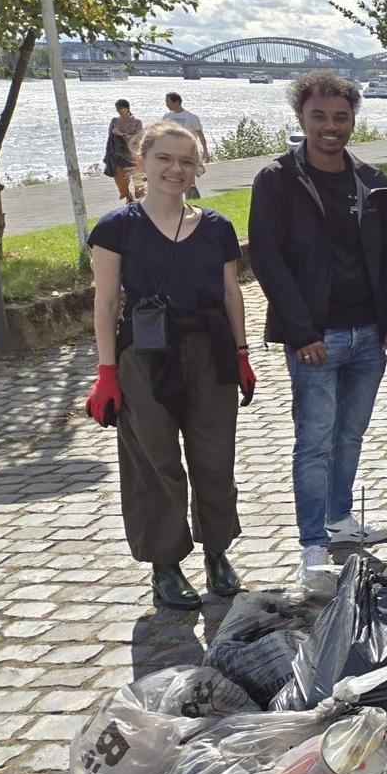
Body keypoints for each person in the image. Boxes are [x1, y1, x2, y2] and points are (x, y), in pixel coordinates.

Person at [248, 71, 387, 595]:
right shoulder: (276, 180)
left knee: (351, 434)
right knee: (314, 441)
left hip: (368, 333)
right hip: (315, 337)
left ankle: (341, 517)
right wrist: (301, 333)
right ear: (301, 117)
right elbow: (268, 262)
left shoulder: (373, 182)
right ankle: (312, 542)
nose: (330, 127)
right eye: (319, 116)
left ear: (352, 121)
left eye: (340, 117)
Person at [84, 121, 256, 610]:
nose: (175, 169)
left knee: (214, 456)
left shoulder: (218, 227)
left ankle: (218, 552)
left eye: (186, 161)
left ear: (197, 167)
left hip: (210, 350)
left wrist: (241, 354)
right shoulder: (117, 227)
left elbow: (230, 293)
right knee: (154, 460)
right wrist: (107, 371)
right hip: (145, 353)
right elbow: (106, 302)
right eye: (165, 158)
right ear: (143, 160)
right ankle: (165, 563)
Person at [162, 92, 208, 199]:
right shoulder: (166, 117)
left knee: (188, 177)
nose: (166, 104)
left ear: (177, 102)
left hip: (188, 151)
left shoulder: (191, 117)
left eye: (168, 102)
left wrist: (205, 150)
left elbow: (200, 134)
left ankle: (191, 199)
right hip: (171, 151)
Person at [104, 100, 142, 201]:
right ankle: (128, 197)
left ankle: (140, 199)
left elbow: (138, 138)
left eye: (121, 108)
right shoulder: (114, 121)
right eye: (117, 109)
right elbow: (110, 137)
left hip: (132, 152)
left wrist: (122, 134)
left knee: (137, 177)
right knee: (120, 177)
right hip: (118, 153)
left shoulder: (137, 122)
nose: (119, 111)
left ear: (127, 108)